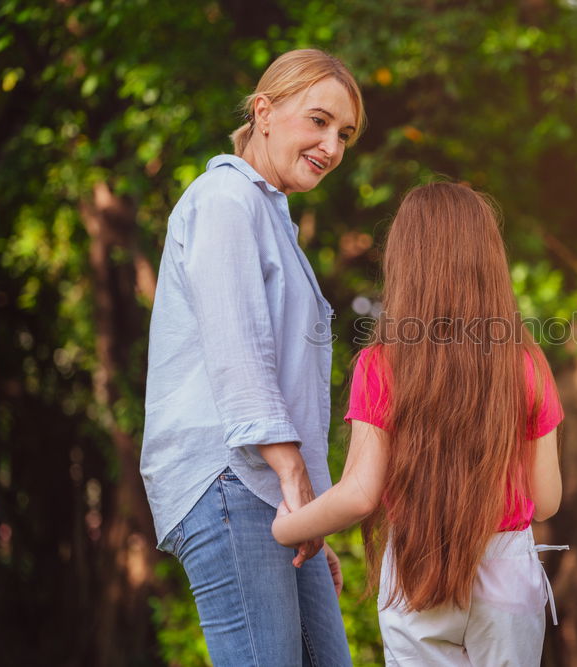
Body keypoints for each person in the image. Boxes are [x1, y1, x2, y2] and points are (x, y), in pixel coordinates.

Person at [271, 182, 568, 665]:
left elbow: (359, 494)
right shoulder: (527, 364)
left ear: (406, 264)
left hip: (418, 567)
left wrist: (287, 530)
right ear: (490, 263)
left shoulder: (382, 364)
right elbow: (547, 501)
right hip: (509, 573)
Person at [140, 49, 364, 666]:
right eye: (318, 121)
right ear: (263, 111)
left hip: (272, 489)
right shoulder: (224, 198)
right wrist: (297, 486)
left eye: (343, 134)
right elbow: (238, 352)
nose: (332, 145)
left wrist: (307, 503)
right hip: (228, 479)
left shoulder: (270, 215)